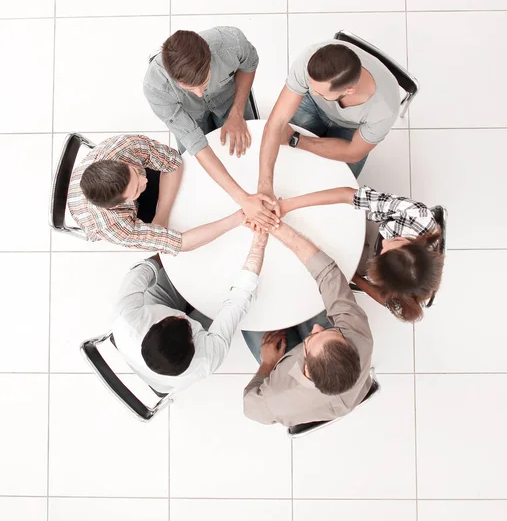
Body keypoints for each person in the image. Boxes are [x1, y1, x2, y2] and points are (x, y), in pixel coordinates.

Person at [144, 26, 279, 231]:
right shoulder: (155, 88)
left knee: (252, 148)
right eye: (189, 89)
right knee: (196, 169)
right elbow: (196, 143)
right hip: (188, 116)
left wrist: (237, 112)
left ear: (210, 59)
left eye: (204, 83)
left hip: (229, 101)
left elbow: (250, 65)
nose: (198, 94)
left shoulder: (231, 42)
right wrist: (242, 199)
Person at [242, 222, 373, 427]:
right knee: (311, 295)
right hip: (338, 390)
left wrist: (267, 364)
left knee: (248, 315)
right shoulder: (359, 338)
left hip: (280, 368)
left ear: (307, 371)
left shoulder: (275, 399)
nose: (316, 328)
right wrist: (279, 228)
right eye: (332, 331)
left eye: (312, 337)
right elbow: (329, 275)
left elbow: (249, 407)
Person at [113, 231, 269, 394]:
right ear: (194, 346)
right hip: (162, 383)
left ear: (154, 326)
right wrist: (259, 245)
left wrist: (171, 248)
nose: (182, 316)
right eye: (188, 326)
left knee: (170, 265)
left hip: (152, 314)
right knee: (224, 302)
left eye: (172, 319)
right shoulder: (207, 358)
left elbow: (143, 269)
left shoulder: (126, 317)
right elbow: (237, 301)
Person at [257, 38, 400, 214]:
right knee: (284, 156)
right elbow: (275, 123)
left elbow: (353, 152)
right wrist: (264, 187)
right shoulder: (309, 61)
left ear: (349, 90)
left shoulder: (384, 108)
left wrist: (296, 139)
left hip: (352, 126)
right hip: (314, 106)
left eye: (319, 91)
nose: (311, 90)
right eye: (310, 84)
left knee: (339, 182)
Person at [279, 185, 444, 321]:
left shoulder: (407, 296)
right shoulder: (418, 216)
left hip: (364, 263)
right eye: (395, 241)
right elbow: (347, 194)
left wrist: (353, 278)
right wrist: (286, 205)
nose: (385, 242)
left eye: (384, 252)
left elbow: (384, 298)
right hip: (371, 226)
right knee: (317, 219)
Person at [68, 134, 244, 253]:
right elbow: (180, 243)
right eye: (136, 189)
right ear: (120, 204)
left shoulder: (124, 147)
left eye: (136, 173)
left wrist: (162, 215)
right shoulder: (112, 226)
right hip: (94, 217)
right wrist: (237, 218)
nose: (145, 181)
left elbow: (173, 161)